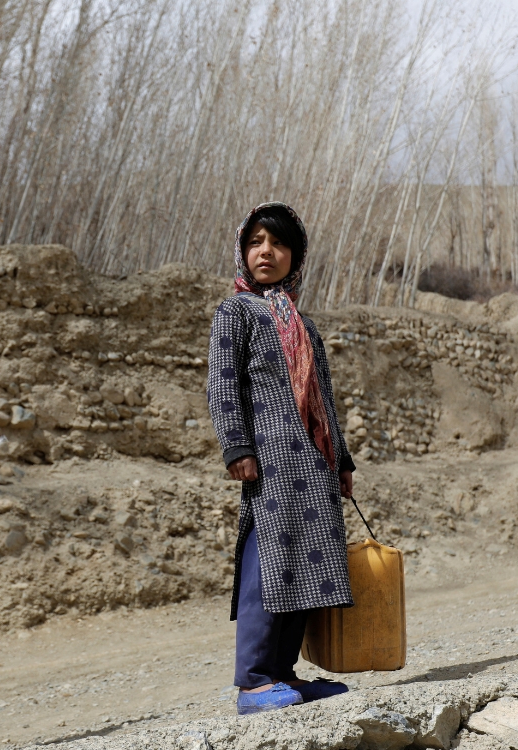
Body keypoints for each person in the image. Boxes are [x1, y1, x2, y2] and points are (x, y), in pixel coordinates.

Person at [207, 202, 356, 715]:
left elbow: (323, 398)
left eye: (277, 244)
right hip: (268, 463)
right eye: (255, 242)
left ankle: (283, 674)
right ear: (243, 251)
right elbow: (222, 384)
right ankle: (252, 681)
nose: (265, 252)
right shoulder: (235, 313)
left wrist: (343, 462)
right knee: (264, 567)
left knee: (306, 572)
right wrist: (237, 446)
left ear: (296, 256)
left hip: (313, 468)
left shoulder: (304, 325)